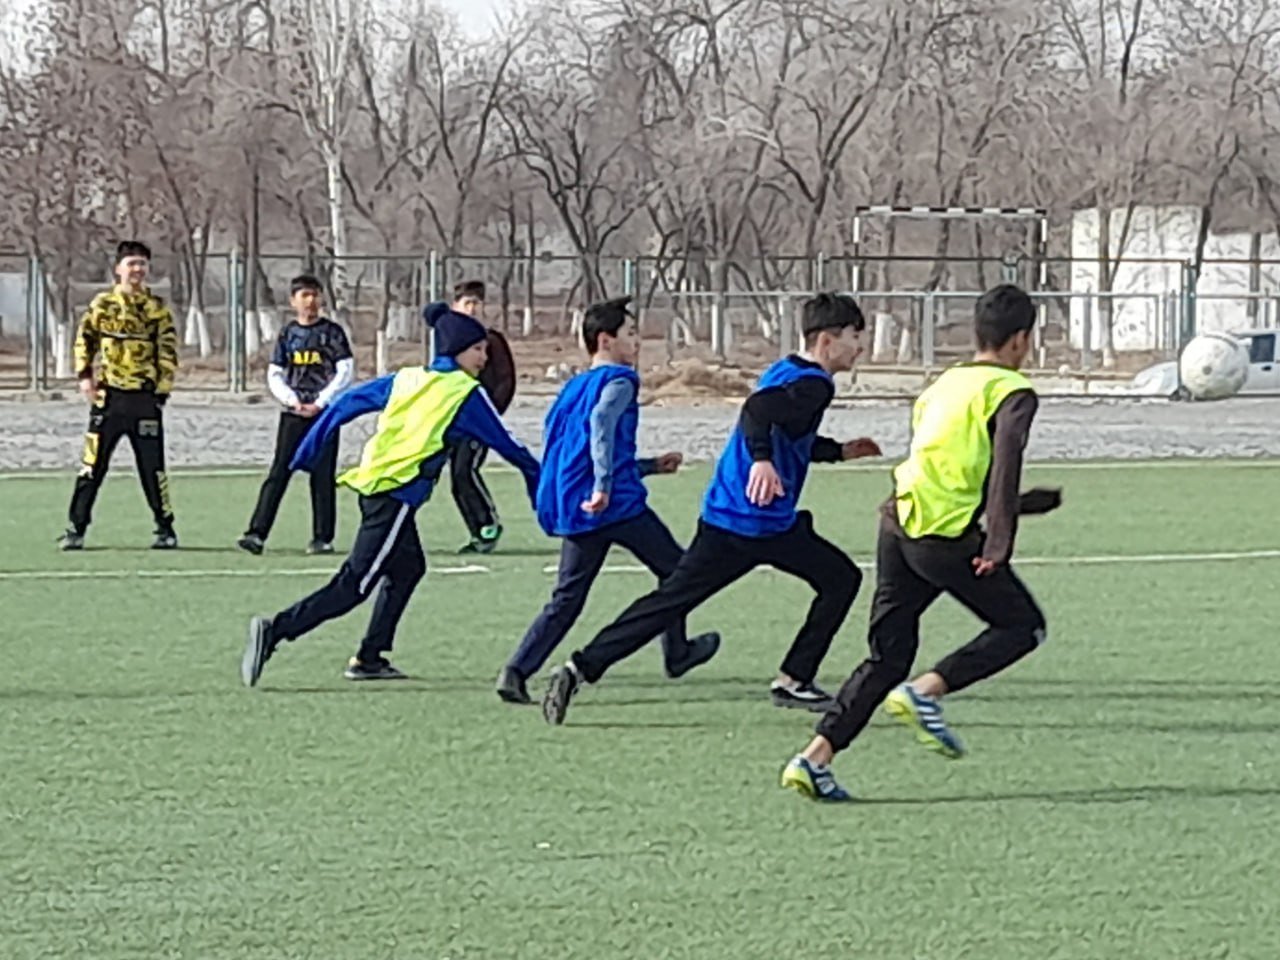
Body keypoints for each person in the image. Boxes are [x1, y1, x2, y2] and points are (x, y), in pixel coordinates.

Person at [541, 292, 883, 726]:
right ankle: (793, 679)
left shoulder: (785, 370)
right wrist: (761, 461)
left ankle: (578, 668)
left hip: (726, 514)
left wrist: (838, 451)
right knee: (841, 579)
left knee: (668, 602)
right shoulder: (816, 384)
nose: (860, 346)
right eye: (855, 336)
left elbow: (786, 432)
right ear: (826, 341)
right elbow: (757, 412)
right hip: (757, 521)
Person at [780, 284, 1063, 802]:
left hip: (899, 524)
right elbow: (1004, 463)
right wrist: (998, 543)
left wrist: (1020, 505)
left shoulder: (945, 383)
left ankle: (813, 759)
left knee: (887, 657)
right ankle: (926, 691)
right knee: (1023, 626)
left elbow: (944, 464)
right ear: (1021, 340)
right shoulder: (1012, 391)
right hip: (944, 537)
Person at [240, 304, 539, 686]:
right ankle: (275, 630)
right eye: (478, 349)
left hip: (376, 487)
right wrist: (540, 485)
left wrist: (309, 449)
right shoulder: (464, 392)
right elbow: (510, 446)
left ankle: (370, 657)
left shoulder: (409, 377)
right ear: (457, 350)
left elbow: (347, 403)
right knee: (354, 585)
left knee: (408, 568)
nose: (485, 358)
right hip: (395, 496)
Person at [496, 296, 720, 704]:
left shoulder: (572, 388)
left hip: (580, 506)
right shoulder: (621, 380)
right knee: (679, 573)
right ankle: (677, 652)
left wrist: (648, 466)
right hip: (615, 505)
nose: (637, 341)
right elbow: (601, 424)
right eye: (630, 333)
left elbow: (575, 450)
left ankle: (515, 671)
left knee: (567, 597)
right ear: (605, 340)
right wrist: (603, 486)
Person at [59, 240, 179, 550]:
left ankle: (165, 528)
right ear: (118, 268)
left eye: (142, 264)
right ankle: (76, 528)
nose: (137, 269)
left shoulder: (156, 308)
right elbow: (84, 340)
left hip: (144, 399)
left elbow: (168, 351)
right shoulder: (103, 304)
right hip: (108, 398)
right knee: (92, 465)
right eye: (131, 263)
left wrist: (161, 392)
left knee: (152, 468)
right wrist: (85, 377)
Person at [238, 275, 354, 556]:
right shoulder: (288, 334)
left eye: (315, 295)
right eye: (304, 295)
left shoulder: (332, 333)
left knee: (322, 476)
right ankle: (256, 533)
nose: (310, 301)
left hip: (324, 414)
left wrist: (321, 402)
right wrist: (292, 400)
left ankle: (322, 538)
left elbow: (345, 370)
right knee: (279, 472)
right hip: (293, 413)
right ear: (293, 301)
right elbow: (275, 373)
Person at [429, 280, 516, 554]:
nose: (473, 308)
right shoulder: (448, 342)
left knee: (465, 470)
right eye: (467, 303)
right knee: (455, 479)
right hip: (451, 420)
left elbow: (506, 381)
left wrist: (490, 415)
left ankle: (488, 524)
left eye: (477, 303)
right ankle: (478, 533)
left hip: (477, 422)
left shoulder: (491, 340)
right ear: (455, 306)